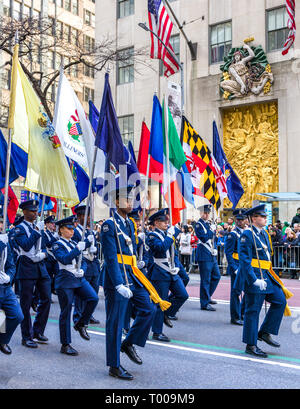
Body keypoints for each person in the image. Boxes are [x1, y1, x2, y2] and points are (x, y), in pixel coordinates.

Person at [101, 186, 157, 381]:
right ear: (116, 202)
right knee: (115, 323)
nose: (130, 202)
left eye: (131, 199)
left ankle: (129, 342)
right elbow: (110, 257)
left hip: (131, 274)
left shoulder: (129, 224)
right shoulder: (109, 225)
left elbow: (128, 252)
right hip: (117, 277)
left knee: (149, 308)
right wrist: (117, 284)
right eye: (126, 199)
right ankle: (114, 366)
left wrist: (138, 259)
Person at [234, 204, 289, 358]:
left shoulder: (264, 234)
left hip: (267, 276)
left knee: (280, 301)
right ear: (253, 218)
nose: (265, 218)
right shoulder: (246, 235)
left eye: (265, 216)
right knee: (253, 311)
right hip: (255, 277)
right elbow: (245, 261)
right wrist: (254, 280)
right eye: (262, 216)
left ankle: (264, 332)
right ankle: (251, 345)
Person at [52, 216, 99, 356]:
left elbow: (82, 259)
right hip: (65, 279)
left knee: (93, 298)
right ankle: (65, 344)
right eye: (68, 229)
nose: (72, 231)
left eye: (73, 228)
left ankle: (80, 323)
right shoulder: (57, 245)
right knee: (66, 312)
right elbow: (65, 259)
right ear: (61, 230)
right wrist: (79, 248)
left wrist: (82, 269)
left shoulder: (73, 243)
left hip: (78, 278)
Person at [146, 209, 189, 341]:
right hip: (160, 272)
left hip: (171, 271)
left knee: (182, 295)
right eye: (163, 221)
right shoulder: (153, 236)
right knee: (160, 302)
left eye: (166, 221)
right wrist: (170, 236)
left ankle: (167, 313)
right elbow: (160, 248)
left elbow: (173, 252)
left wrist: (176, 266)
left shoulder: (168, 234)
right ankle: (157, 332)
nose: (166, 223)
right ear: (156, 223)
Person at [14, 200, 51, 348]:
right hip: (26, 266)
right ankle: (26, 336)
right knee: (26, 303)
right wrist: (36, 231)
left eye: (36, 211)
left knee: (46, 298)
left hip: (40, 266)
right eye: (32, 211)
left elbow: (45, 244)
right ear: (24, 212)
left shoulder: (39, 227)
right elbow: (26, 244)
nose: (35, 213)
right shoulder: (19, 228)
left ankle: (38, 330)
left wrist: (43, 253)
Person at [0, 212, 24, 354]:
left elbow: (11, 264)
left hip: (5, 286)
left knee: (16, 315)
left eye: (2, 222)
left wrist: (8, 277)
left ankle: (3, 340)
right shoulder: (3, 241)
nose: (2, 225)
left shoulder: (4, 239)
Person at [72, 205, 100, 325]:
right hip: (82, 261)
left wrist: (95, 249)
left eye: (89, 215)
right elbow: (75, 247)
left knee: (94, 289)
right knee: (81, 293)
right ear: (79, 217)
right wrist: (87, 243)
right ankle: (78, 314)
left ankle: (89, 314)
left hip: (92, 262)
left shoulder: (89, 231)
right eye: (86, 215)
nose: (89, 218)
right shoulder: (76, 231)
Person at [195, 204, 221, 311]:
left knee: (216, 276)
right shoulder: (198, 225)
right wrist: (212, 231)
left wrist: (215, 247)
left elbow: (213, 238)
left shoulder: (208, 224)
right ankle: (204, 303)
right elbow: (204, 238)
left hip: (211, 254)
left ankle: (207, 295)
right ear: (201, 213)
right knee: (205, 280)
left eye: (208, 213)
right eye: (204, 213)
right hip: (204, 255)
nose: (206, 215)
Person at [224, 209, 247, 325]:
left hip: (246, 266)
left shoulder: (247, 233)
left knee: (248, 291)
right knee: (236, 292)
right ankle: (235, 317)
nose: (239, 222)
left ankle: (242, 313)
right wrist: (234, 268)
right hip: (237, 266)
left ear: (246, 220)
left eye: (242, 219)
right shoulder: (233, 234)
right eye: (238, 219)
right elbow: (228, 253)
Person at [43, 215, 59, 297]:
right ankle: (48, 294)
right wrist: (54, 238)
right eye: (52, 223)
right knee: (48, 277)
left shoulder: (55, 233)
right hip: (48, 258)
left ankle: (54, 289)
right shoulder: (44, 233)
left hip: (55, 258)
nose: (53, 225)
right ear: (47, 224)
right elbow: (48, 244)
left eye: (54, 223)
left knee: (58, 275)